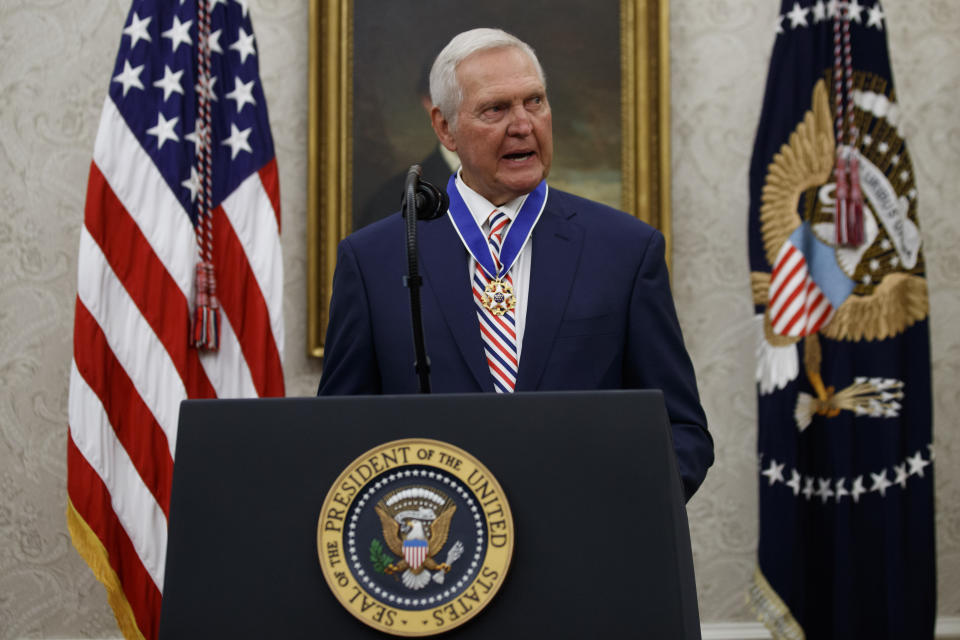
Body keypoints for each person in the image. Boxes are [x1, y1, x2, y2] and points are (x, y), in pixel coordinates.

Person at [318, 28, 713, 500]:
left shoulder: (626, 250)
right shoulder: (373, 260)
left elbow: (682, 429)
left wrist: (619, 512)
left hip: (585, 554)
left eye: (535, 102)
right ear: (444, 127)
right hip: (439, 553)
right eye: (496, 109)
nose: (524, 124)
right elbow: (338, 437)